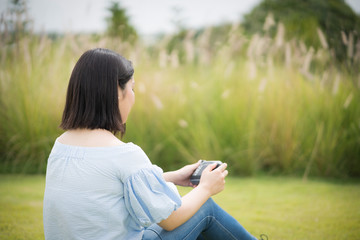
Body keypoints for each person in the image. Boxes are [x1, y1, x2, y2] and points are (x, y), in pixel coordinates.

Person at [43, 48, 257, 240]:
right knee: (205, 208)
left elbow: (104, 187)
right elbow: (171, 220)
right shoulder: (122, 154)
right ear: (117, 93)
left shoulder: (61, 146)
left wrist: (172, 177)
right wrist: (206, 188)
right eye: (132, 88)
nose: (134, 97)